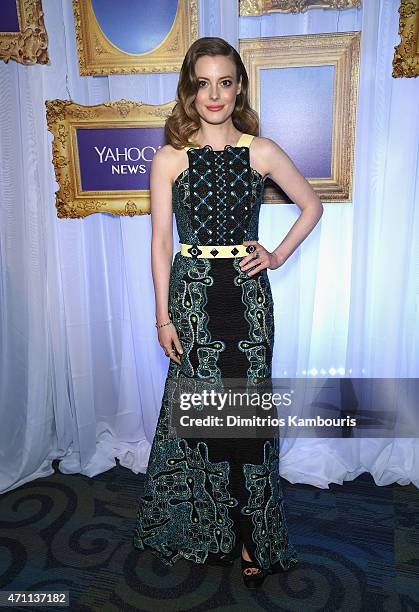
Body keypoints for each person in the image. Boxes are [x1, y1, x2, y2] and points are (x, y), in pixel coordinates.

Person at [133, 36, 323, 589]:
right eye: (202, 83)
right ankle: (211, 526)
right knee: (202, 421)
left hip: (245, 301)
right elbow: (159, 242)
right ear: (189, 92)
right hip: (193, 302)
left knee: (244, 423)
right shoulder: (169, 158)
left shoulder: (260, 151)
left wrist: (277, 254)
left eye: (223, 82)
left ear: (238, 87)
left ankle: (250, 536)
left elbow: (310, 206)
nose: (213, 94)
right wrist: (163, 319)